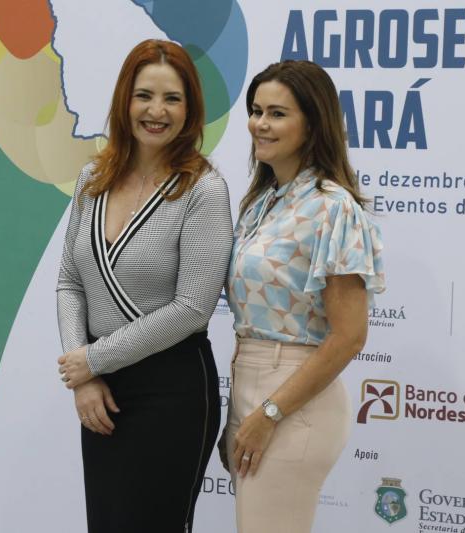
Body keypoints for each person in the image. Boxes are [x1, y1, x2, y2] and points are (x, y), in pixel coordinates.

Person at [55, 39, 233, 533]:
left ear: (190, 109)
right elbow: (69, 282)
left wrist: (93, 359)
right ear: (124, 101)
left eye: (172, 98)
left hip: (171, 391)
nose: (157, 111)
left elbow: (192, 308)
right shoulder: (93, 178)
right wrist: (84, 377)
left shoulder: (203, 189)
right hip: (101, 391)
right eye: (144, 96)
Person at [223, 60, 385, 533]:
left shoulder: (333, 208)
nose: (260, 124)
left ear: (313, 124)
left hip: (292, 400)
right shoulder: (262, 201)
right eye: (256, 111)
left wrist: (271, 412)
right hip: (250, 388)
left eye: (277, 113)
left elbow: (350, 336)